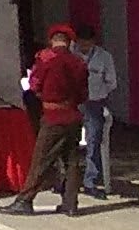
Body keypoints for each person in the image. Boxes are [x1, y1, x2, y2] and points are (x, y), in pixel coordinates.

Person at [7, 25, 88, 215]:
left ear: (52, 40)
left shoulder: (46, 59)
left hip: (53, 116)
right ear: (69, 42)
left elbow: (34, 85)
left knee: (41, 159)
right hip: (73, 115)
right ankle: (70, 203)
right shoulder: (79, 62)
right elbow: (84, 93)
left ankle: (25, 200)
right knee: (72, 160)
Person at [81, 26, 124, 199]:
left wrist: (99, 93)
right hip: (75, 102)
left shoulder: (104, 57)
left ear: (93, 42)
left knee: (94, 138)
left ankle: (90, 180)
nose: (83, 46)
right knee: (66, 140)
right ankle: (64, 180)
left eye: (86, 43)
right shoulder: (71, 55)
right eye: (80, 43)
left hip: (94, 102)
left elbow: (111, 82)